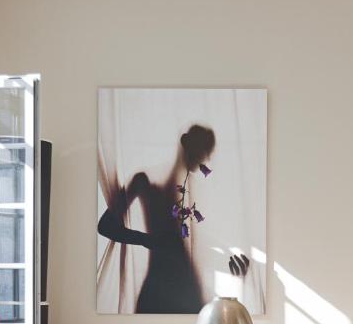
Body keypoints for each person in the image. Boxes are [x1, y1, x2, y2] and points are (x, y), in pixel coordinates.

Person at [98, 124, 248, 313]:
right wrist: (147, 240)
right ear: (186, 143)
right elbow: (105, 225)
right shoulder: (145, 180)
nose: (207, 158)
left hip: (191, 293)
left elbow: (206, 246)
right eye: (204, 149)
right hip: (158, 290)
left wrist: (232, 268)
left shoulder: (201, 191)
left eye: (209, 152)